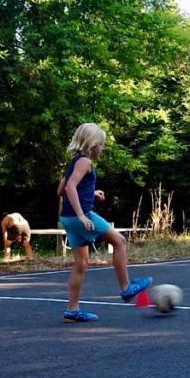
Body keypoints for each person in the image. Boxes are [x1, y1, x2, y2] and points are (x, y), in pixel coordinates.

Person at [58, 123, 151, 323]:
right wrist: (82, 215)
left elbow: (62, 189)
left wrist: (90, 192)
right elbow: (71, 187)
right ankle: (126, 289)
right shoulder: (84, 162)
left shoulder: (73, 162)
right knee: (119, 240)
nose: (102, 148)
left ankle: (72, 310)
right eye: (101, 144)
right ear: (92, 144)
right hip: (80, 216)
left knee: (81, 264)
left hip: (66, 217)